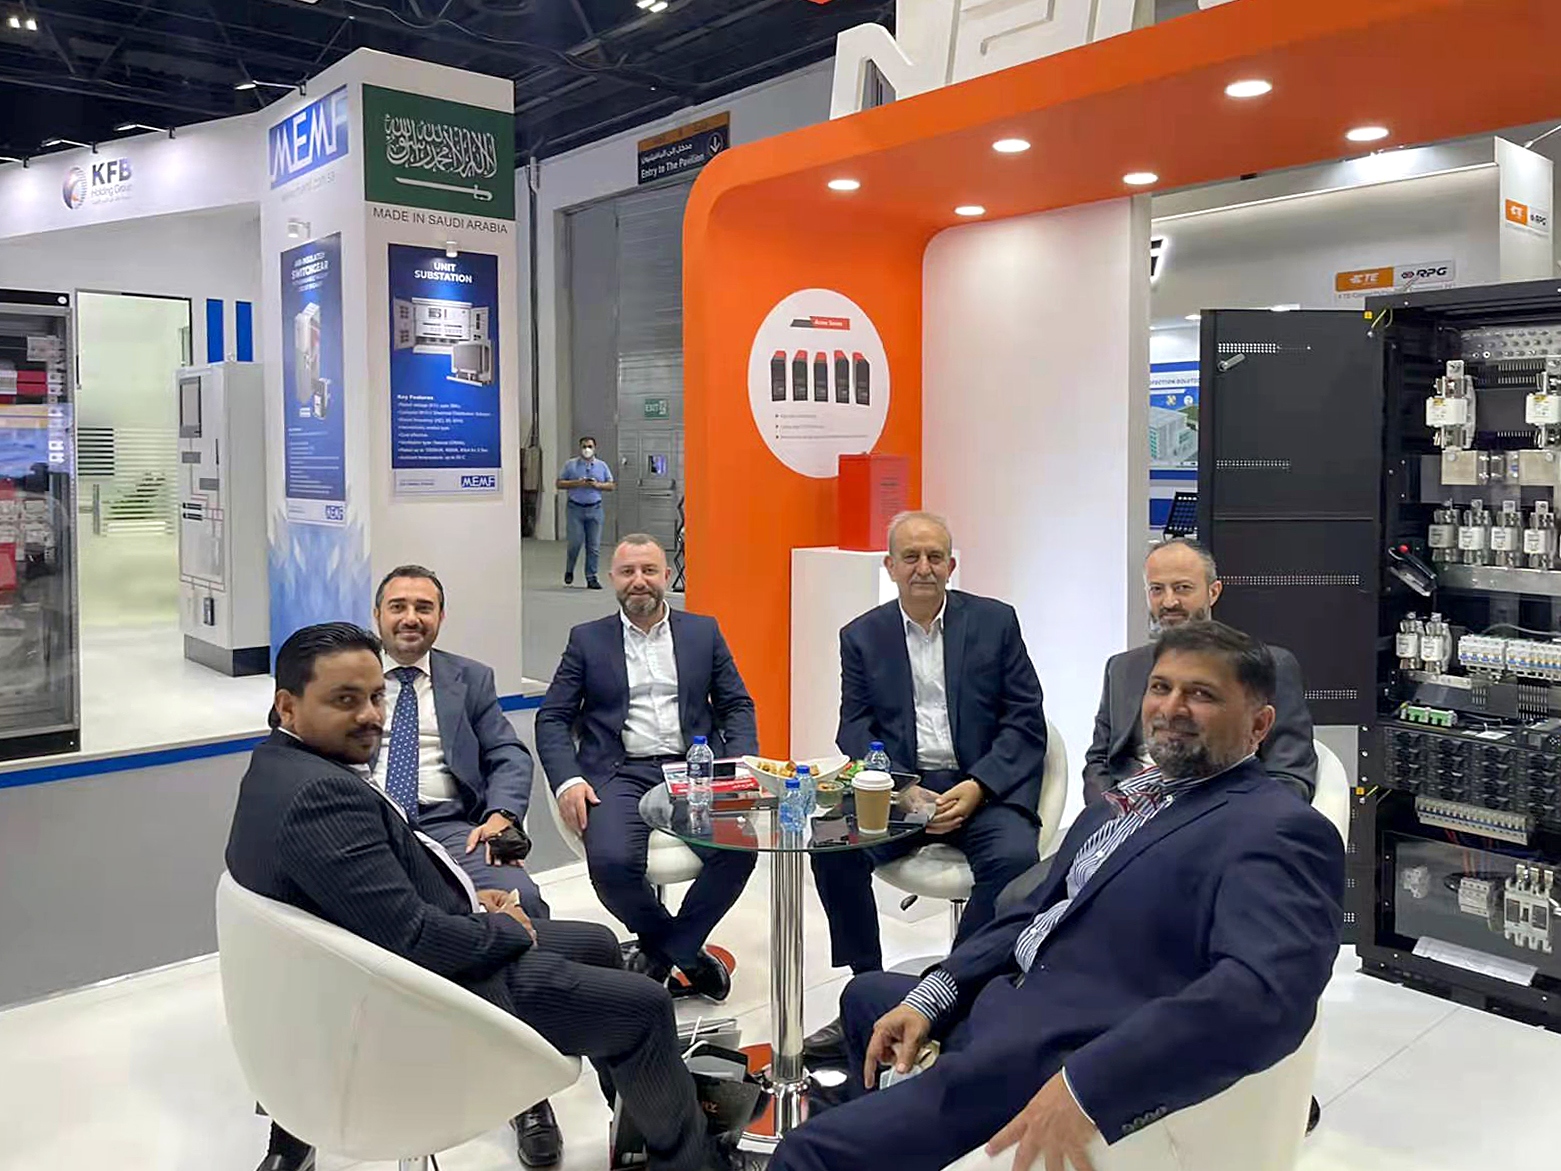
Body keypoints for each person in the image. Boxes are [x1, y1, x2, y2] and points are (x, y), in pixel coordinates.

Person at [769, 622, 1345, 1171]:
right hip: (1005, 1004)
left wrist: (1087, 1086)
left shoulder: (1276, 828)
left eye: (1201, 694)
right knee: (866, 997)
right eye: (1161, 687)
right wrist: (932, 997)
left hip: (1047, 1054)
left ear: (1259, 725)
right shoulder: (1123, 803)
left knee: (806, 1153)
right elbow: (1029, 914)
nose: (1171, 708)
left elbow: (1264, 996)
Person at [228, 624, 744, 1171]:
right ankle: (690, 1161)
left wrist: (472, 897)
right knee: (645, 1006)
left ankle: (640, 1125)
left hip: (391, 959)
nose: (371, 715)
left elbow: (379, 888)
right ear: (288, 705)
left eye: (376, 697)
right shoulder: (322, 797)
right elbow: (415, 939)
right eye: (345, 700)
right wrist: (502, 928)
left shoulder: (278, 766)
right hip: (432, 994)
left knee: (596, 943)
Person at [804, 511, 1048, 1065]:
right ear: (889, 566)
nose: (923, 568)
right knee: (831, 845)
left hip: (980, 783)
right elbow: (854, 727)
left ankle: (952, 995)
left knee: (1015, 861)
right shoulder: (861, 636)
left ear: (951, 566)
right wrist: (903, 788)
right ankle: (867, 989)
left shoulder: (995, 622)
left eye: (935, 557)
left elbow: (1025, 720)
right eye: (910, 557)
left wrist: (979, 785)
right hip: (903, 788)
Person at [370, 564, 558, 1165]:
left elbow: (507, 752)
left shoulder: (468, 678)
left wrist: (501, 813)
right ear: (377, 616)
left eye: (423, 607)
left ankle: (526, 1086)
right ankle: (293, 1126)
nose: (410, 618)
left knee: (524, 903)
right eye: (398, 606)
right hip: (368, 829)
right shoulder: (351, 673)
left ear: (441, 617)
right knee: (306, 926)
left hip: (451, 825)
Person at [536, 535, 758, 1001]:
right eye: (628, 572)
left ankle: (664, 953)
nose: (639, 581)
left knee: (738, 851)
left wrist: (738, 762)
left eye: (649, 570)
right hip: (619, 771)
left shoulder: (702, 632)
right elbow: (553, 716)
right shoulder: (587, 639)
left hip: (694, 768)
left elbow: (736, 704)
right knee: (612, 863)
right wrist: (568, 780)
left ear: (666, 576)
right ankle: (687, 955)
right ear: (613, 579)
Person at [1084, 538, 1317, 804]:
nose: (1169, 602)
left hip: (1222, 812)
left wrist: (1234, 821)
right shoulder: (1122, 668)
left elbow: (1290, 777)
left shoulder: (1269, 665)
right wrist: (1108, 812)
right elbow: (1099, 761)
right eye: (1157, 589)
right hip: (1128, 810)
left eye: (1182, 588)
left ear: (1213, 592)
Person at [557, 435, 614, 589]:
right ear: (580, 448)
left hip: (595, 509)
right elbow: (559, 483)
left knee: (593, 546)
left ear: (595, 448)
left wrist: (597, 485)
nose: (587, 449)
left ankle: (591, 577)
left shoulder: (602, 466)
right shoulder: (570, 465)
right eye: (584, 446)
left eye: (590, 446)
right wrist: (577, 483)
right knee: (575, 543)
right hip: (575, 509)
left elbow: (611, 485)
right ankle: (569, 569)